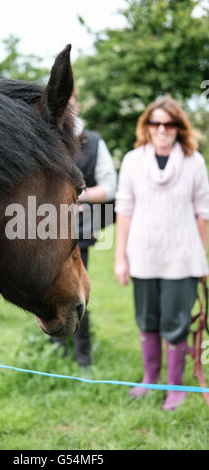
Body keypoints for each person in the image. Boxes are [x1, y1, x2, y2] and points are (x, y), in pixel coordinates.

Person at [114, 95, 209, 410]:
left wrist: (201, 256)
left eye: (169, 124)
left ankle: (176, 386)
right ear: (147, 127)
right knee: (147, 319)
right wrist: (120, 257)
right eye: (156, 123)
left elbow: (203, 212)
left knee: (176, 321)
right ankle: (151, 377)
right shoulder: (132, 161)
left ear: (178, 128)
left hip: (182, 258)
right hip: (143, 254)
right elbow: (124, 209)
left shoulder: (194, 161)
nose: (162, 129)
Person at [51, 89, 117, 367]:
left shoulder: (95, 142)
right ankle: (55, 346)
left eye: (71, 104)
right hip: (46, 226)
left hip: (82, 226)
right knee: (47, 284)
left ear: (76, 107)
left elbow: (110, 187)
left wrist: (81, 195)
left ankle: (83, 353)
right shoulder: (49, 136)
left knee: (77, 287)